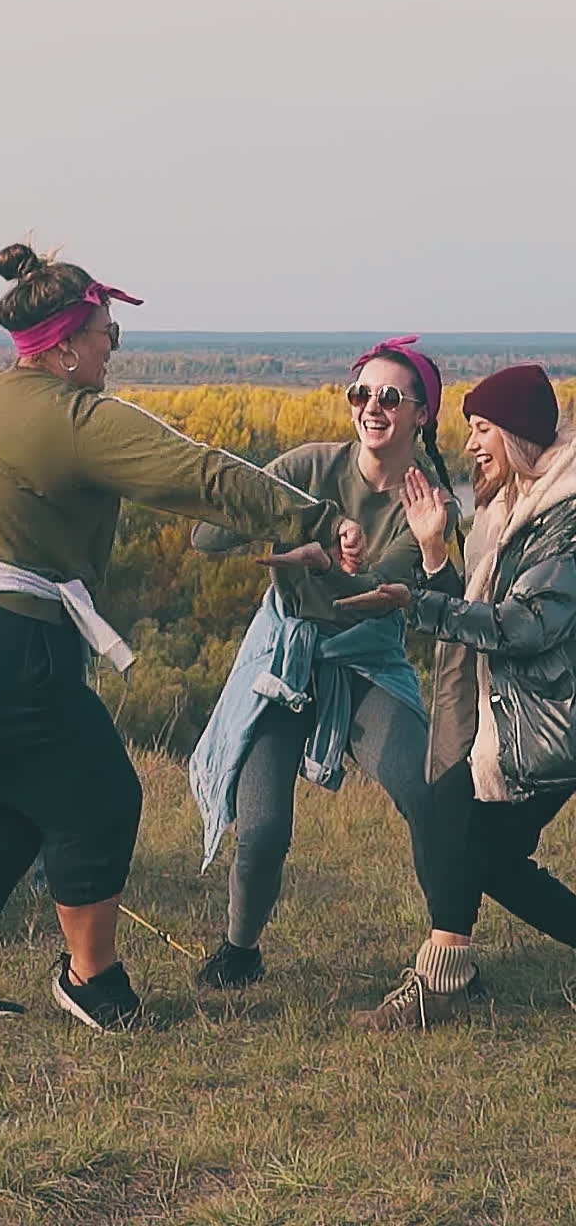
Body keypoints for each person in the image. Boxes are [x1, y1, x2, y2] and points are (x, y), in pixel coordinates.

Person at [0, 242, 347, 1030]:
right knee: (102, 798)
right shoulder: (80, 418)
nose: (113, 348)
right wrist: (321, 520)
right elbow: (204, 475)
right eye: (106, 334)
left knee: (5, 807)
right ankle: (92, 980)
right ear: (65, 347)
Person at [189, 335, 462, 989]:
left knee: (428, 794)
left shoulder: (428, 507)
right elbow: (207, 537)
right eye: (360, 393)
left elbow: (375, 595)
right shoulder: (310, 466)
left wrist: (327, 564)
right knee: (262, 831)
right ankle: (240, 951)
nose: (372, 407)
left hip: (365, 660)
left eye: (390, 396)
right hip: (283, 660)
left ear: (421, 413)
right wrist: (294, 515)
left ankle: (450, 951)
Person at [348, 362, 576, 1030]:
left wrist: (415, 601)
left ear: (518, 435)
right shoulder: (509, 512)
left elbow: (526, 627)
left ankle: (441, 984)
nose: (472, 442)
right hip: (508, 719)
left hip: (548, 726)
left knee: (459, 838)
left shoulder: (564, 520)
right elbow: (475, 621)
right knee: (487, 858)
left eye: (483, 428)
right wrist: (432, 555)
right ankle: (447, 982)